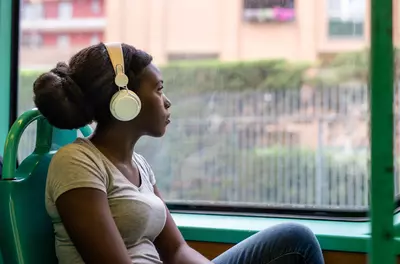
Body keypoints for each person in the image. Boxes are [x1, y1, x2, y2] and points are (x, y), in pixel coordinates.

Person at [33, 42, 325, 264]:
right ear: (126, 99)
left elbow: (176, 251)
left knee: (295, 240)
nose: (167, 101)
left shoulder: (140, 166)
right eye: (158, 90)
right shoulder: (76, 162)